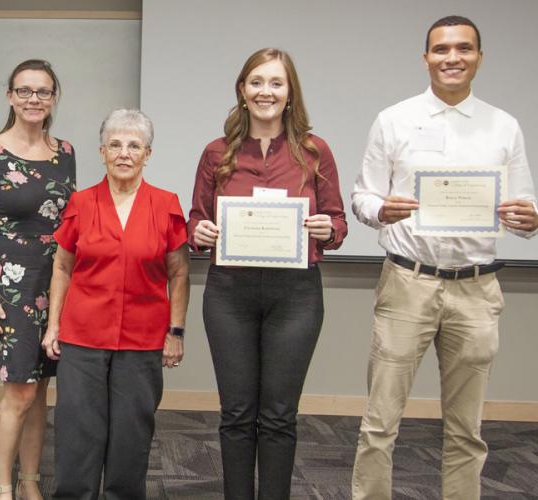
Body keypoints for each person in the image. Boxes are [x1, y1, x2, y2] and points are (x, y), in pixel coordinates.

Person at [351, 16, 537, 499]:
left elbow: (525, 204)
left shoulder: (504, 126)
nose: (452, 58)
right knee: (379, 423)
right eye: (441, 49)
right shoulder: (394, 119)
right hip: (408, 282)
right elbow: (362, 197)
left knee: (466, 430)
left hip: (476, 289)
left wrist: (530, 219)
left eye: (463, 49)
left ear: (478, 57)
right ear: (426, 58)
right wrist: (380, 210)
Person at [186, 48, 347, 499]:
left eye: (276, 83)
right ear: (242, 90)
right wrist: (198, 229)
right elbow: (194, 221)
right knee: (236, 413)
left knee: (278, 415)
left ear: (290, 92)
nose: (265, 91)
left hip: (294, 295)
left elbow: (337, 221)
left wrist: (326, 228)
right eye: (256, 82)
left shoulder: (316, 152)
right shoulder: (215, 153)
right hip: (229, 293)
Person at [41, 109, 189, 500]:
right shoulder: (81, 202)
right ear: (102, 152)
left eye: (134, 145)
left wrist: (175, 332)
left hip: (142, 341)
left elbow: (179, 274)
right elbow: (62, 265)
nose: (125, 153)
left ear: (148, 154)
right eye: (116, 145)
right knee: (77, 433)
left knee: (131, 435)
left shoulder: (166, 205)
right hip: (83, 338)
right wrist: (53, 325)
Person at [0, 59, 75, 500]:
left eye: (43, 92)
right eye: (24, 91)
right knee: (19, 394)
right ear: (10, 96)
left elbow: (69, 225)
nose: (33, 99)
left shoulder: (65, 152)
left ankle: (30, 484)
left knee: (40, 391)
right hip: (7, 286)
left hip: (57, 283)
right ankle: (0, 488)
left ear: (54, 98)